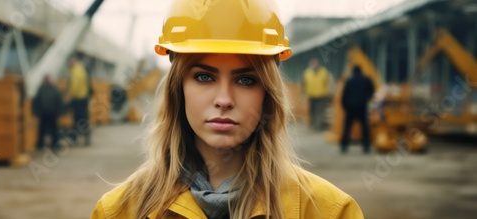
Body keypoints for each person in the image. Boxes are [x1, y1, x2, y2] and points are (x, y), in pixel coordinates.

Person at [91, 0, 363, 218]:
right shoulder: (119, 211)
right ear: (178, 89)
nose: (224, 99)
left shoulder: (330, 211)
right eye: (204, 77)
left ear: (267, 95)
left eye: (246, 80)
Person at [340, 66, 375, 154]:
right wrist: (367, 98)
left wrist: (345, 106)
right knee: (364, 128)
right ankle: (366, 146)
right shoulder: (366, 80)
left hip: (351, 107)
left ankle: (344, 146)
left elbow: (344, 94)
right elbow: (372, 90)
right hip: (362, 106)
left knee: (347, 127)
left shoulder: (349, 81)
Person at [32, 75, 64, 152]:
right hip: (43, 113)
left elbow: (59, 100)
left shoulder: (54, 89)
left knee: (54, 130)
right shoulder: (41, 89)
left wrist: (59, 111)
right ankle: (40, 145)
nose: (47, 81)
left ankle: (55, 145)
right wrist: (36, 111)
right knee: (42, 130)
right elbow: (36, 100)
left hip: (52, 113)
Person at [303, 58, 332, 131]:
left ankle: (320, 126)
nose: (314, 66)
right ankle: (314, 124)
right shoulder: (307, 72)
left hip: (322, 95)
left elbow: (329, 83)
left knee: (320, 111)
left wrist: (330, 93)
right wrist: (304, 93)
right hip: (312, 96)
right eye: (312, 64)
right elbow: (304, 84)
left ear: (318, 64)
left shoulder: (324, 72)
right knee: (312, 111)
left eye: (315, 64)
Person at [67, 58, 91, 146]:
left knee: (77, 119)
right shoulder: (81, 69)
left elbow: (75, 85)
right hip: (83, 98)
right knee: (83, 119)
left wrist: (70, 95)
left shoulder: (75, 71)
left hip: (78, 99)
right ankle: (86, 138)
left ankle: (74, 139)